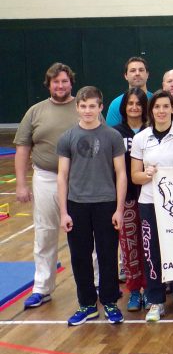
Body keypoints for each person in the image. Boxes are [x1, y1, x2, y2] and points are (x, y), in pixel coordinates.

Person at [57, 86, 127, 326]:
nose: (88, 110)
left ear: (101, 107)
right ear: (77, 108)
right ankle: (87, 304)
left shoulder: (112, 136)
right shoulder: (67, 137)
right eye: (83, 106)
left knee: (108, 255)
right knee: (79, 256)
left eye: (92, 106)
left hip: (106, 204)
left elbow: (121, 173)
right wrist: (64, 211)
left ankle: (109, 302)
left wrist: (119, 209)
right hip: (77, 205)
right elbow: (62, 175)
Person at [15, 63, 81, 309]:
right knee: (45, 233)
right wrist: (21, 184)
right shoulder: (35, 111)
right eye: (56, 82)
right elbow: (23, 149)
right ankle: (42, 287)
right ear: (49, 84)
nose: (60, 85)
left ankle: (96, 285)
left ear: (71, 82)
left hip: (80, 181)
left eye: (64, 81)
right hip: (45, 178)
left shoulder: (83, 108)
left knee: (89, 235)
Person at [130, 90, 173, 322]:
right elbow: (135, 177)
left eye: (166, 106)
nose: (161, 111)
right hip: (149, 202)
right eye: (157, 107)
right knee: (151, 252)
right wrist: (146, 175)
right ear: (151, 111)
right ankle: (155, 300)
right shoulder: (141, 138)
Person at [113, 88, 148, 312]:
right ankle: (134, 290)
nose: (134, 107)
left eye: (138, 103)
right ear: (124, 107)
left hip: (151, 195)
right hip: (126, 198)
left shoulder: (153, 130)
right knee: (130, 245)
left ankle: (154, 287)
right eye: (130, 103)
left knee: (151, 244)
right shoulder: (115, 133)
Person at [106, 57, 151, 126]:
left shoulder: (155, 100)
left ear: (147, 74)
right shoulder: (116, 104)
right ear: (126, 76)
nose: (137, 73)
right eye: (133, 70)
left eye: (141, 70)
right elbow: (111, 135)